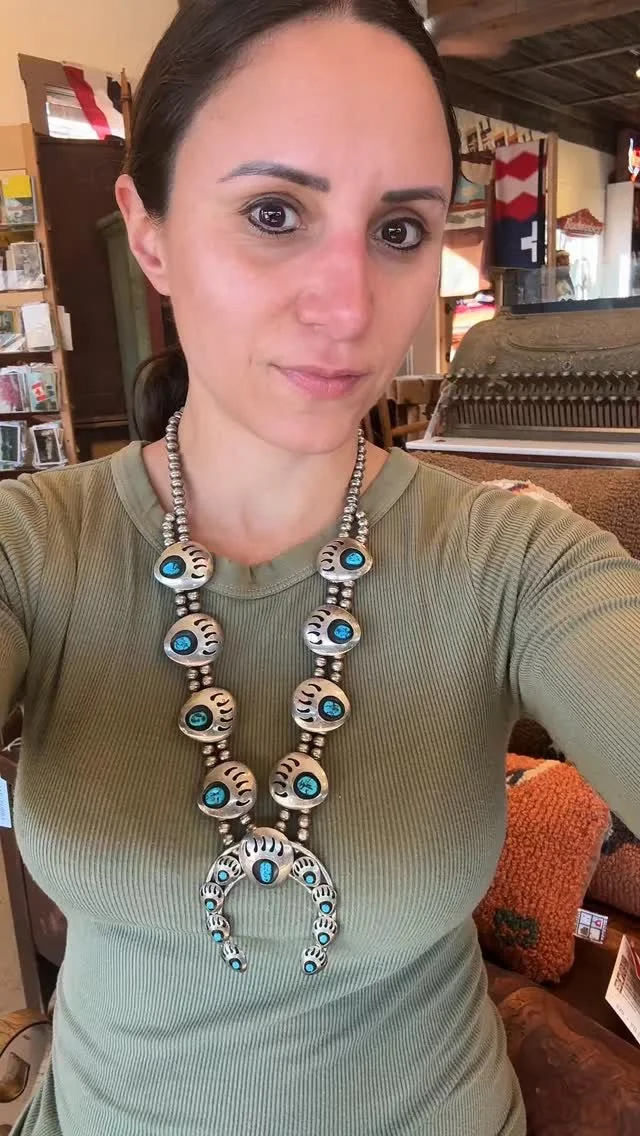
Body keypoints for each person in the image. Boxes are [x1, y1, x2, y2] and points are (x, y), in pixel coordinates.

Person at [4, 2, 640, 1134]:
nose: (349, 308)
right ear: (149, 232)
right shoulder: (33, 548)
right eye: (273, 212)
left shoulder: (514, 558)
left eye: (398, 228)